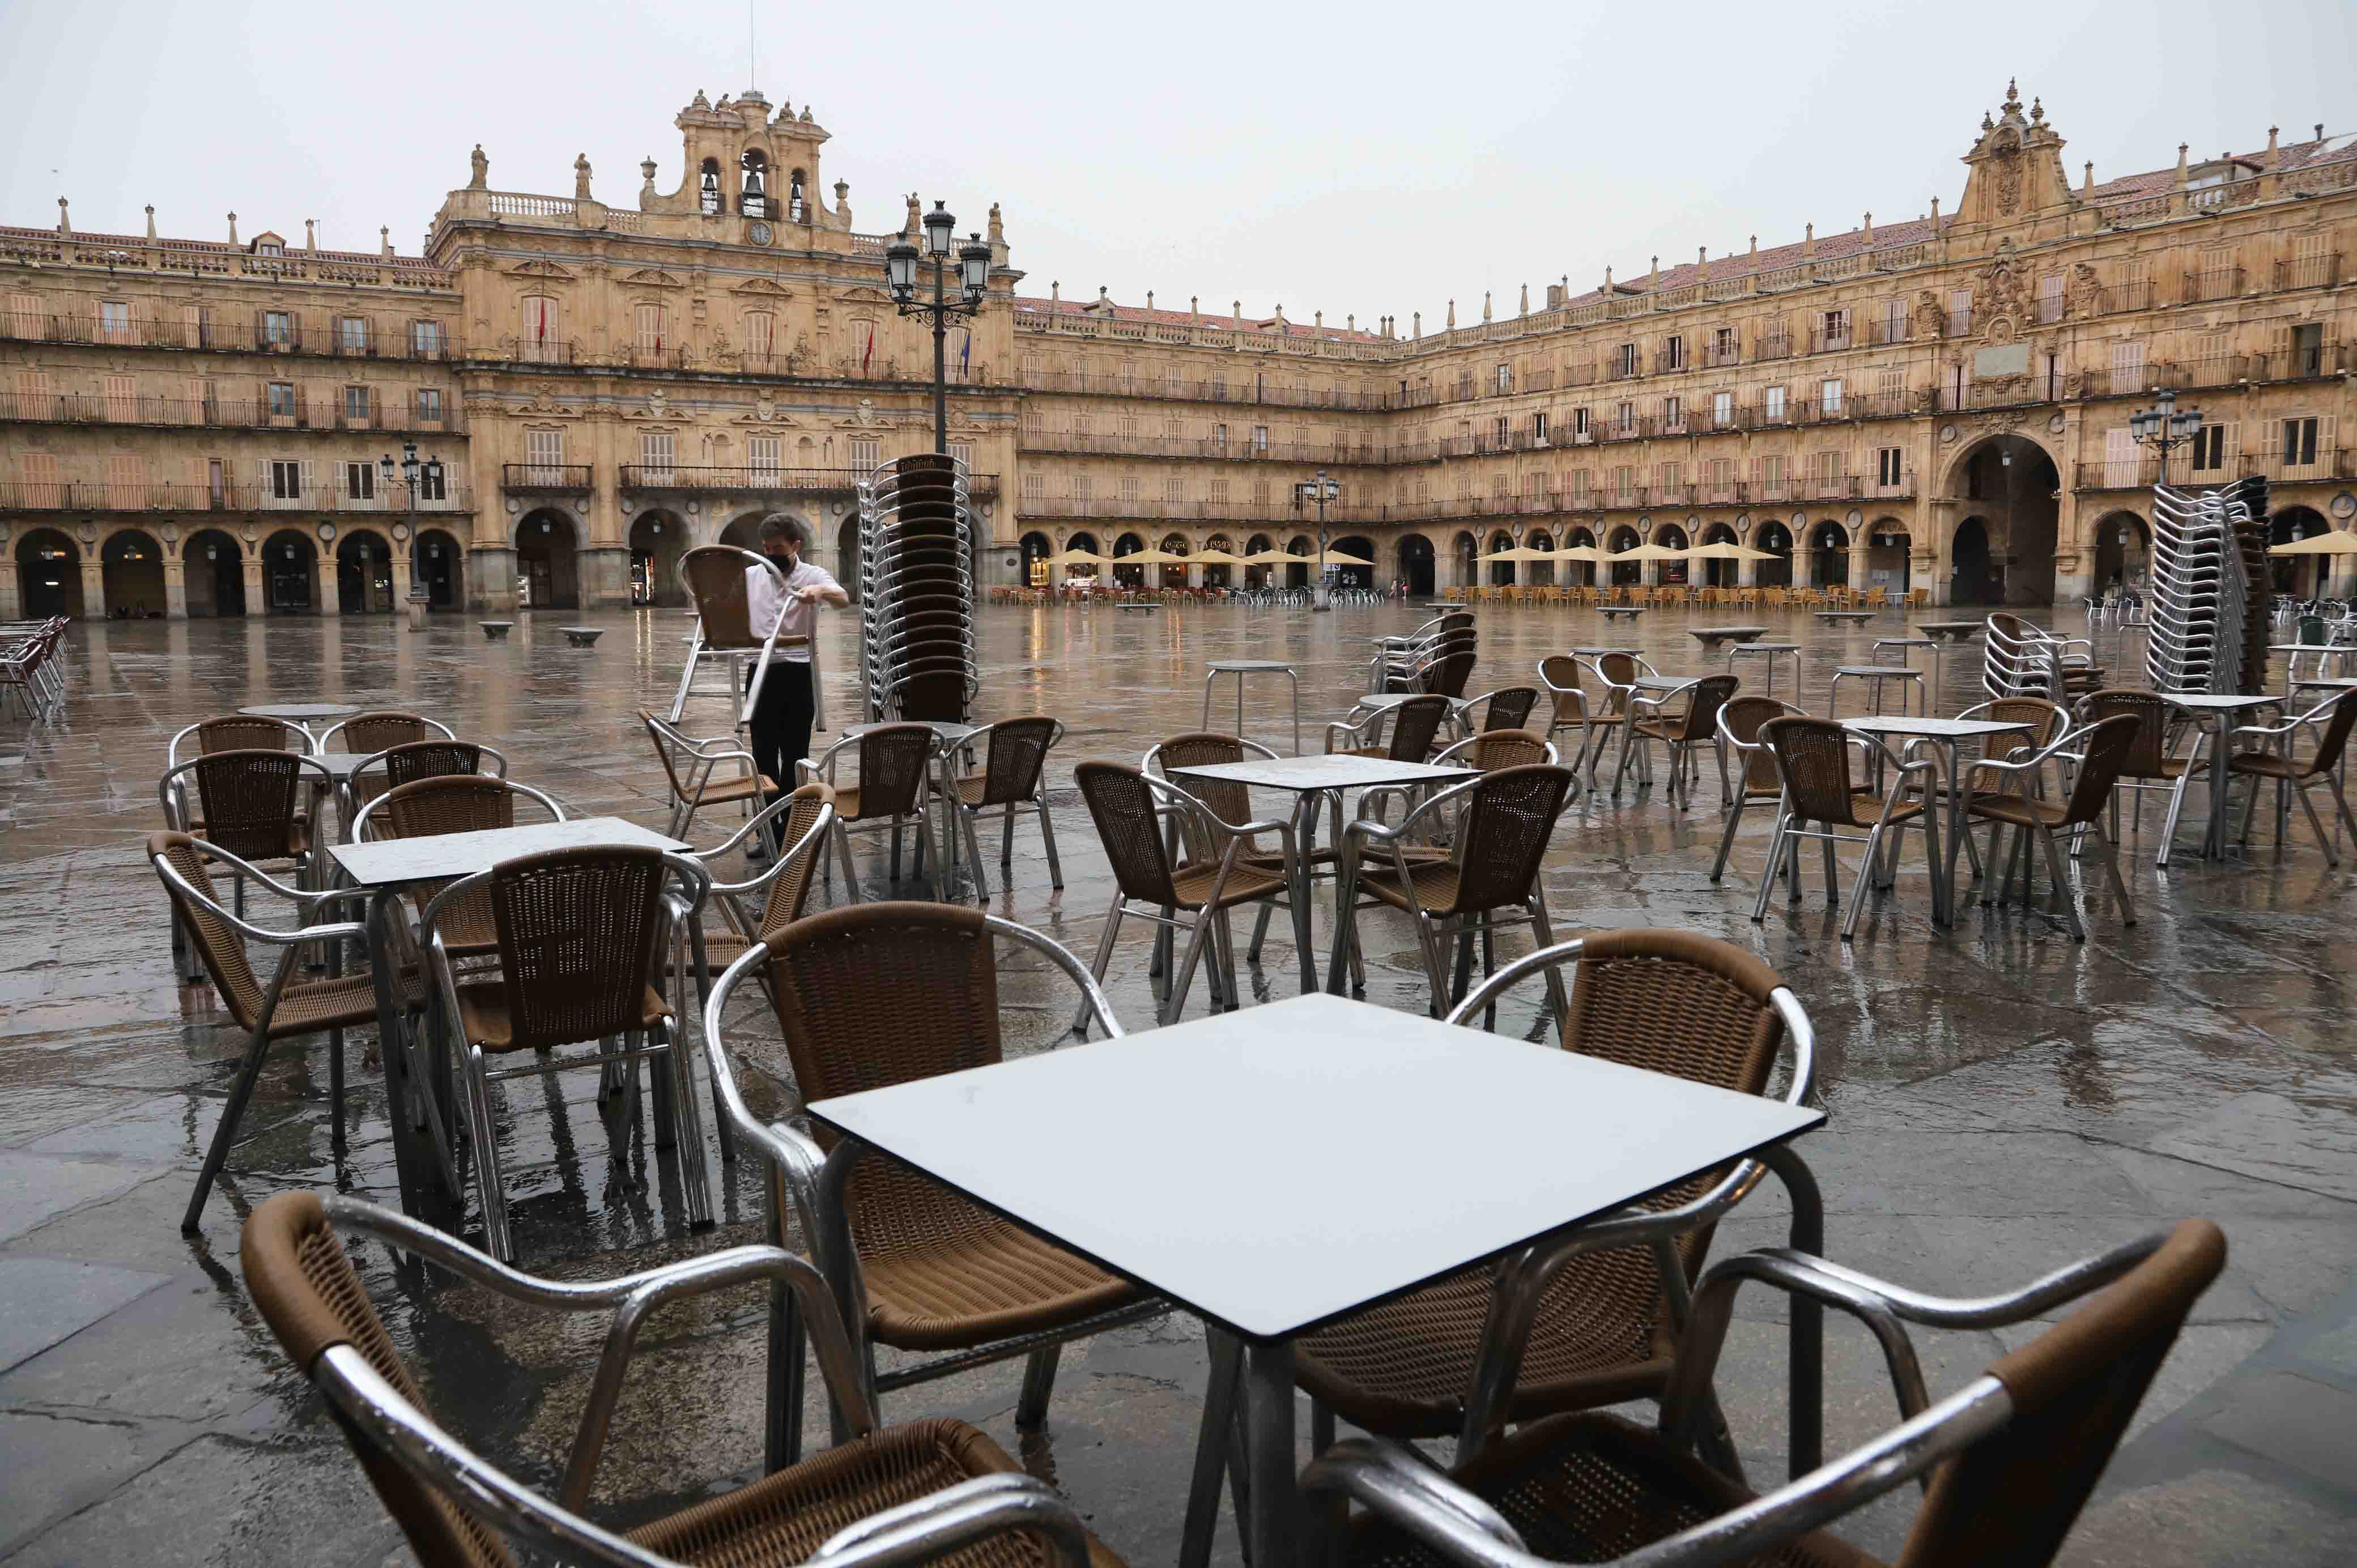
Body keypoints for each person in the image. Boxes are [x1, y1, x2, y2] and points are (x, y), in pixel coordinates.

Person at [742, 513, 847, 812]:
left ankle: (792, 824)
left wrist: (820, 592)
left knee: (795, 753)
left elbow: (842, 599)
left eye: (778, 549)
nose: (771, 555)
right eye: (767, 549)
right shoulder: (752, 576)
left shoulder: (813, 574)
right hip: (760, 671)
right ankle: (768, 830)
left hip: (797, 672)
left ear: (796, 545)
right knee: (762, 754)